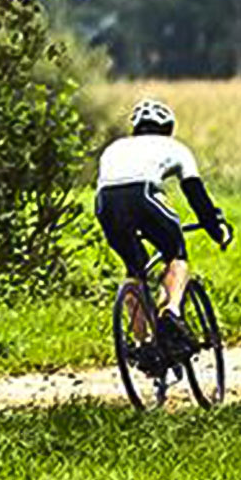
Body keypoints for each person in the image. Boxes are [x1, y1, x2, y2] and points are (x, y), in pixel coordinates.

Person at [93, 96, 232, 361]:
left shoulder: (115, 147)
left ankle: (144, 346)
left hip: (105, 204)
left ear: (136, 127)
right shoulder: (175, 147)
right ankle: (172, 312)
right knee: (175, 254)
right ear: (168, 127)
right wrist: (217, 229)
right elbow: (196, 195)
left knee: (135, 270)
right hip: (142, 194)